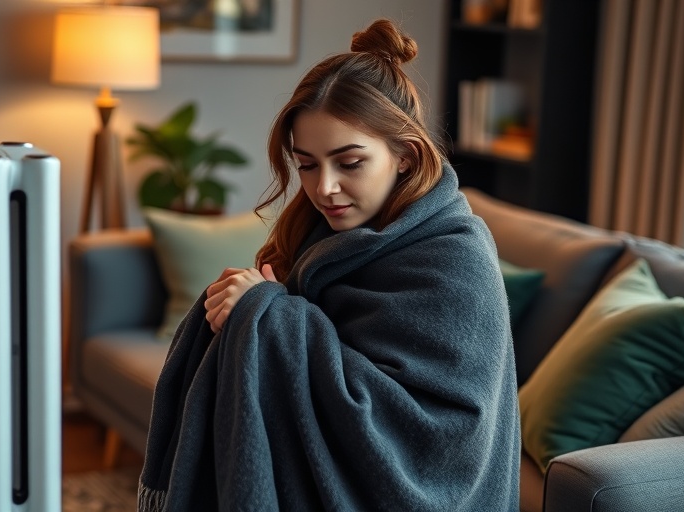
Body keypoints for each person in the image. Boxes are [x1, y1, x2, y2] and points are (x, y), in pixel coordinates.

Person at [138, 18, 520, 511]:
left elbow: (438, 439)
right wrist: (255, 310)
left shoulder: (456, 259)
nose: (324, 188)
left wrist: (264, 313)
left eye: (350, 162)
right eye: (308, 164)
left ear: (404, 155)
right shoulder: (318, 235)